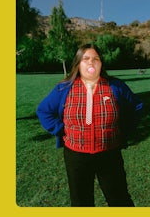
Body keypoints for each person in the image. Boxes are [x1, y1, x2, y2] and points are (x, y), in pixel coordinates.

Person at [36, 43, 143, 207]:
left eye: (96, 59)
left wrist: (124, 130)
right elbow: (44, 110)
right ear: (78, 63)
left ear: (101, 64)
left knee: (119, 200)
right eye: (86, 59)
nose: (91, 63)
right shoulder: (64, 88)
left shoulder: (115, 86)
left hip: (109, 153)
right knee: (81, 203)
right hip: (76, 156)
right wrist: (61, 129)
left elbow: (136, 107)